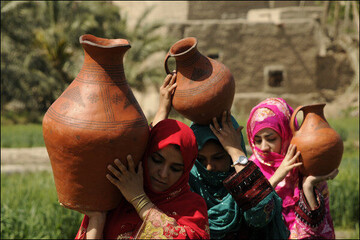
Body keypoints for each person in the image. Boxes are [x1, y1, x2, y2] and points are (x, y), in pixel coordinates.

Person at [153, 73, 290, 239]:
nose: (209, 167)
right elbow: (151, 158)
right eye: (201, 160)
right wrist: (163, 110)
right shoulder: (186, 185)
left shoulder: (245, 183)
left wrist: (236, 152)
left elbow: (261, 212)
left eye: (218, 157)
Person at [72, 118, 210, 239]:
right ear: (145, 154)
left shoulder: (192, 208)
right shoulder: (117, 195)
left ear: (185, 171)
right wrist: (97, 219)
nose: (163, 174)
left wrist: (139, 199)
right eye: (156, 160)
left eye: (175, 169)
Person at [246, 97, 338, 239]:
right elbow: (250, 217)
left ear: (286, 134)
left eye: (271, 139)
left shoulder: (304, 166)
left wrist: (308, 186)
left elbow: (319, 231)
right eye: (257, 140)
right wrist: (278, 176)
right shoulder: (250, 170)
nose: (263, 147)